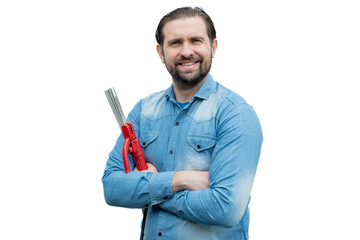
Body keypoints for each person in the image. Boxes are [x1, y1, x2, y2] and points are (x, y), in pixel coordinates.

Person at [102, 7, 263, 240]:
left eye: (196, 40)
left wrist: (151, 189)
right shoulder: (143, 111)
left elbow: (226, 208)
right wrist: (180, 180)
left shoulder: (235, 114)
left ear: (213, 47)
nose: (186, 51)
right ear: (161, 52)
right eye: (175, 43)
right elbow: (112, 187)